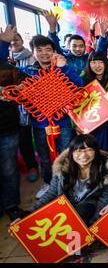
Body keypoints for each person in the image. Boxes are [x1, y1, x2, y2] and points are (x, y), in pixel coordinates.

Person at [1, 29, 83, 199]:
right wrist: (18, 91)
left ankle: (68, 184)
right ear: (33, 52)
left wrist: (64, 68)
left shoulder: (62, 66)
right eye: (39, 50)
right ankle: (49, 183)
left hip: (63, 122)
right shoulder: (27, 72)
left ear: (54, 51)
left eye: (48, 49)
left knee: (66, 154)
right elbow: (19, 94)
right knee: (45, 158)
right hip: (40, 124)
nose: (44, 53)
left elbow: (79, 84)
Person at [17, 134, 108, 225]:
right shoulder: (62, 168)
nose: (83, 155)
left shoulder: (106, 171)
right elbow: (51, 193)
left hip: (89, 207)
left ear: (96, 151)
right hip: (65, 205)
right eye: (78, 151)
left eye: (88, 150)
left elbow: (104, 200)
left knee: (79, 212)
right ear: (72, 153)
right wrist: (28, 213)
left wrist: (94, 223)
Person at [7, 32, 39, 182]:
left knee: (26, 138)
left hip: (28, 106)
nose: (14, 42)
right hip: (10, 107)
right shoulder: (5, 59)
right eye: (11, 41)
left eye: (17, 39)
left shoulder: (32, 57)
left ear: (21, 41)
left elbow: (35, 81)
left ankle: (32, 166)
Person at [0, 56, 28, 220]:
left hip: (7, 128)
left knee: (9, 169)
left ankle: (11, 205)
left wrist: (18, 90)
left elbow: (26, 88)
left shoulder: (8, 67)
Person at [81, 51, 108, 153]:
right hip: (90, 122)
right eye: (93, 62)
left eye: (100, 62)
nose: (97, 66)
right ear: (89, 64)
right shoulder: (83, 80)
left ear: (106, 63)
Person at [44, 11, 108, 76]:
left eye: (81, 46)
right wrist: (52, 28)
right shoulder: (64, 58)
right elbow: (55, 44)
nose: (78, 49)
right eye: (74, 46)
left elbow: (100, 53)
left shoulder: (89, 58)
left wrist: (103, 34)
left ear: (85, 47)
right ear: (69, 46)